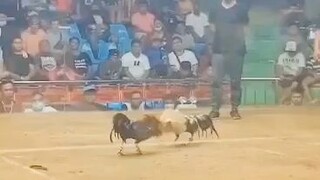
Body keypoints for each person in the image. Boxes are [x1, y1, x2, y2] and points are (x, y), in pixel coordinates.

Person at [209, 0, 250, 120]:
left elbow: (246, 28)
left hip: (236, 51)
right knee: (216, 81)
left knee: (235, 81)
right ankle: (215, 109)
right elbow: (212, 27)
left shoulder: (241, 9)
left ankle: (234, 108)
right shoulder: (215, 8)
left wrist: (237, 42)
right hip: (219, 49)